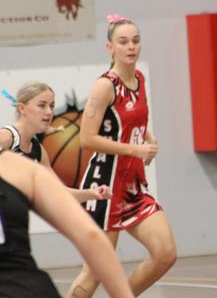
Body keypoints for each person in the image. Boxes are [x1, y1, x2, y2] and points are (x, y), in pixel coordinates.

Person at [66, 15, 176, 298]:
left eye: (136, 40)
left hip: (133, 185)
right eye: (123, 41)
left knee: (165, 253)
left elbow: (133, 120)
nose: (131, 47)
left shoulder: (139, 77)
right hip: (105, 185)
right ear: (109, 48)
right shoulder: (105, 86)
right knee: (95, 271)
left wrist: (148, 138)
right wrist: (134, 149)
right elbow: (87, 138)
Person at [0, 148, 134, 297]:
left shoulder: (32, 157)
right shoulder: (17, 165)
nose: (48, 122)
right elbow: (90, 235)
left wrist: (90, 193)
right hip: (26, 287)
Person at [0, 82, 111, 203]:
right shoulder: (6, 137)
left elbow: (58, 192)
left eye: (52, 106)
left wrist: (91, 193)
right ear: (22, 108)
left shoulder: (38, 151)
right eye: (42, 105)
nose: (49, 112)